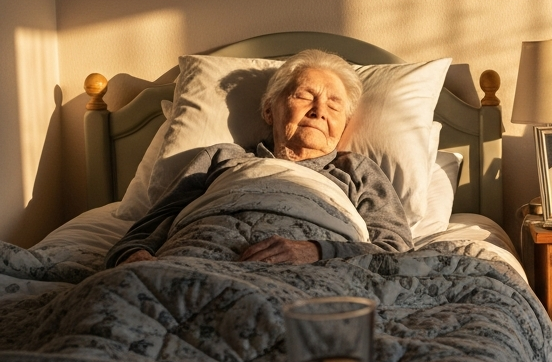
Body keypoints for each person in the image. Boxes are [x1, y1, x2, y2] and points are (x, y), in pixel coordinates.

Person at [107, 50, 412, 267]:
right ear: (269, 111)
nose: (319, 110)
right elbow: (150, 227)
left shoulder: (355, 169)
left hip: (311, 274)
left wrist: (315, 251)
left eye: (334, 105)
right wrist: (135, 258)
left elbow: (394, 251)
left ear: (344, 124)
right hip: (194, 257)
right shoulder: (223, 157)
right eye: (305, 96)